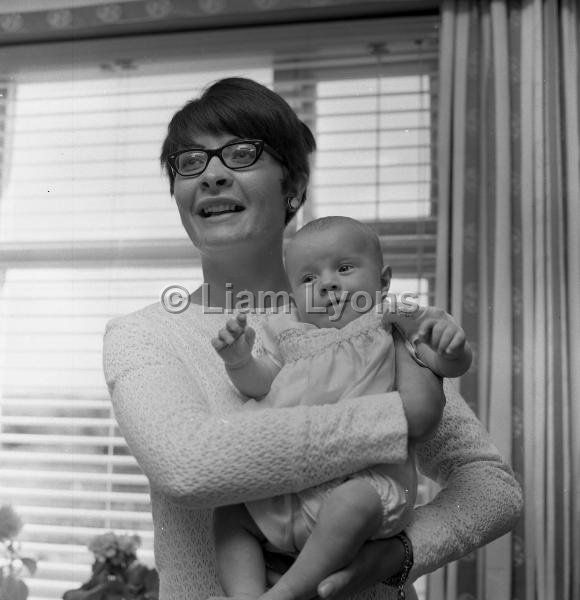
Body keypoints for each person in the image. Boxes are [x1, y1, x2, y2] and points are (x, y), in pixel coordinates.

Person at [103, 77, 523, 600]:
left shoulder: (361, 319)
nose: (210, 175)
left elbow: (491, 486)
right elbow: (190, 467)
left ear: (294, 188)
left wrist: (395, 556)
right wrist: (400, 416)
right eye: (189, 162)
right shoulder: (143, 335)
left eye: (240, 153)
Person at [210, 215, 473, 600]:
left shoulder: (393, 322)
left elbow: (441, 363)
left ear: (383, 281)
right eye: (308, 279)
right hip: (287, 491)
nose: (328, 283)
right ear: (294, 294)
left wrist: (453, 349)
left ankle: (286, 593)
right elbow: (261, 384)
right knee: (230, 516)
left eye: (344, 268)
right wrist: (238, 361)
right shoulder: (289, 333)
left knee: (353, 504)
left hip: (364, 484)